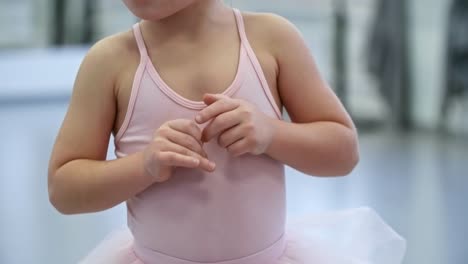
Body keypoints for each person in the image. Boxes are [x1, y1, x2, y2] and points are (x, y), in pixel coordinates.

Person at [48, 1, 406, 263]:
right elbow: (63, 188)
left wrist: (272, 133)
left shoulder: (272, 40)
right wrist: (143, 166)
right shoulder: (109, 62)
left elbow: (343, 152)